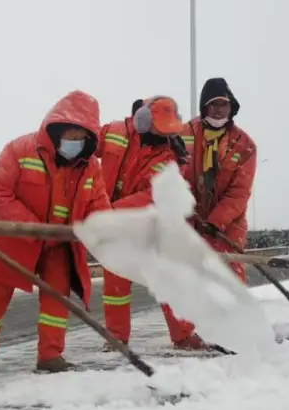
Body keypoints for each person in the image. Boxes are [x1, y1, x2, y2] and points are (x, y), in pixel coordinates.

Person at [0, 91, 111, 374]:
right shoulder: (20, 150)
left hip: (59, 245)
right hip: (14, 240)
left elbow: (99, 205)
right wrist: (30, 225)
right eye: (71, 132)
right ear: (56, 128)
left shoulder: (90, 167)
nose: (74, 140)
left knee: (57, 299)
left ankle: (50, 355)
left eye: (81, 135)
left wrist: (104, 229)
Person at [97, 96, 200, 349]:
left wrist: (112, 210)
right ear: (143, 120)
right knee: (115, 284)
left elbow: (153, 196)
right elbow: (86, 146)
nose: (162, 135)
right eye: (158, 128)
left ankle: (184, 334)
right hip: (114, 225)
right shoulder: (113, 132)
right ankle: (116, 339)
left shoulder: (171, 158)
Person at [173, 77, 258, 348]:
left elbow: (239, 193)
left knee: (229, 274)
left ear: (231, 107)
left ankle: (234, 331)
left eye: (224, 104)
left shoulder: (245, 145)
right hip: (187, 217)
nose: (219, 110)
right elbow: (170, 172)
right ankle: (184, 335)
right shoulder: (183, 134)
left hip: (227, 222)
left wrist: (215, 222)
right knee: (178, 273)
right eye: (213, 105)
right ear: (204, 107)